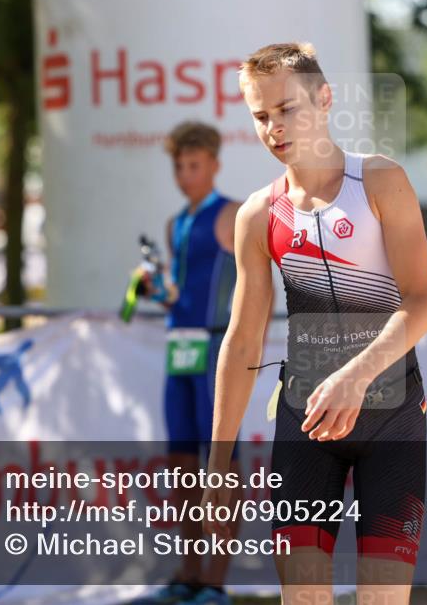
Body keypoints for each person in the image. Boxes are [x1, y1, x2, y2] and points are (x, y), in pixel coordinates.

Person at [201, 42, 427, 605]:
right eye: (261, 116)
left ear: (325, 98)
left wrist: (356, 375)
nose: (274, 127)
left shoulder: (380, 181)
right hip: (305, 425)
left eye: (287, 109)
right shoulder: (258, 214)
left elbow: (424, 301)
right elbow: (241, 342)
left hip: (391, 418)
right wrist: (217, 463)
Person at [138, 121, 241, 605]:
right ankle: (189, 572)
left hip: (217, 350)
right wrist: (152, 286)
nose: (185, 175)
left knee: (220, 463)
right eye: (179, 166)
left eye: (194, 165)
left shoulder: (234, 215)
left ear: (215, 165)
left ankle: (216, 582)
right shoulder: (175, 222)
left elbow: (256, 280)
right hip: (180, 348)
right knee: (181, 462)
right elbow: (177, 294)